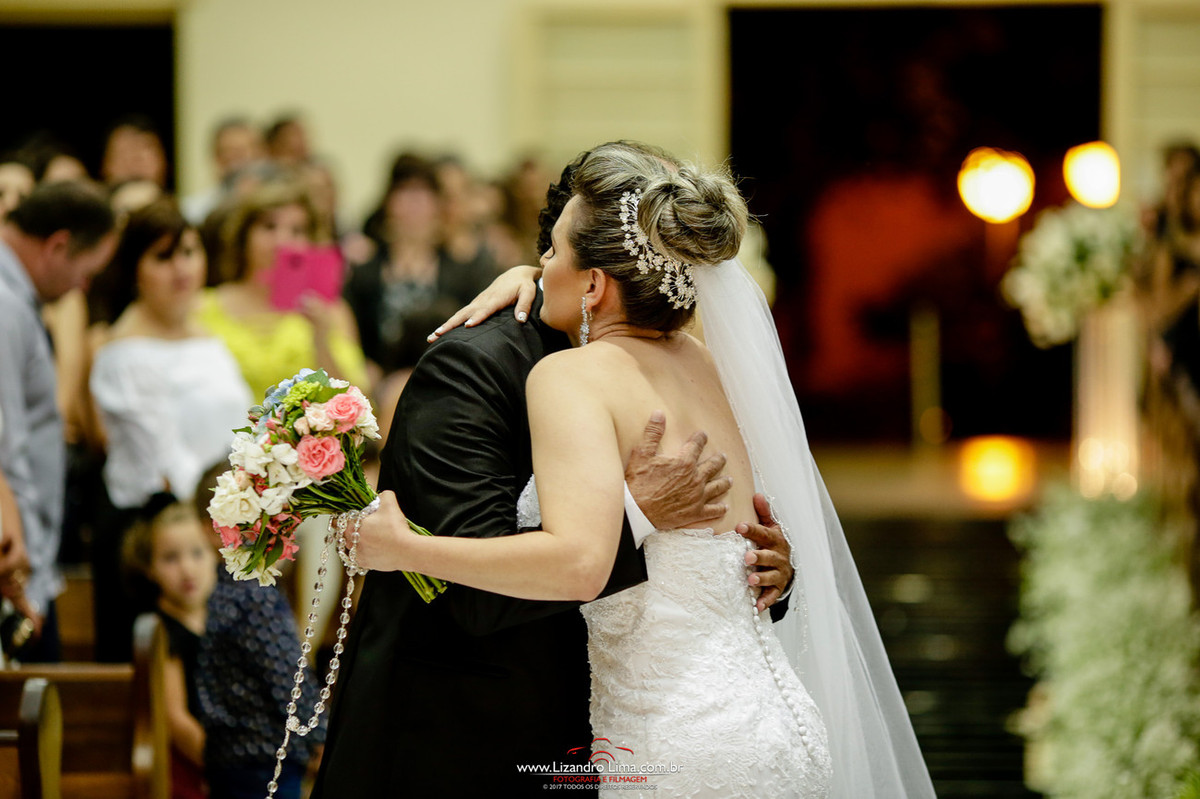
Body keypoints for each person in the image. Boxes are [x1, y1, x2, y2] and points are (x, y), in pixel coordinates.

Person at [348, 143, 936, 797]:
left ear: (595, 281)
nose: (538, 268)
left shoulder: (571, 375)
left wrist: (404, 548)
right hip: (776, 723)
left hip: (674, 743)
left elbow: (580, 562)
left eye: (551, 253)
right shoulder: (709, 365)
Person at [89, 199, 253, 660]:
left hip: (217, 524)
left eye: (189, 252)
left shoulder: (209, 339)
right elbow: (165, 459)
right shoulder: (123, 353)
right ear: (135, 270)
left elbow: (240, 427)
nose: (181, 268)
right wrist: (223, 520)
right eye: (163, 257)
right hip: (157, 537)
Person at [0, 180, 116, 661]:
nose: (82, 286)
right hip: (13, 568)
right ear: (58, 246)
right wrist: (23, 578)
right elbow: (6, 451)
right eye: (86, 272)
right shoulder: (5, 306)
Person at [121, 497, 214, 799]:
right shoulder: (159, 631)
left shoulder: (224, 617)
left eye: (197, 553)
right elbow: (176, 720)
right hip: (191, 769)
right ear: (149, 567)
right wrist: (224, 766)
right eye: (171, 558)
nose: (187, 569)